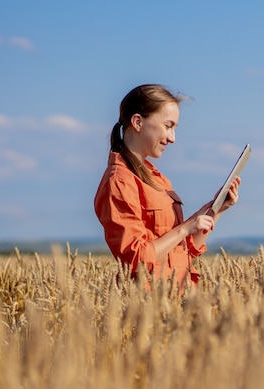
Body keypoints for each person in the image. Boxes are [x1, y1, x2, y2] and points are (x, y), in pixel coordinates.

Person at [94, 84, 240, 293]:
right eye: (168, 126)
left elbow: (185, 249)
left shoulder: (157, 179)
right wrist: (184, 229)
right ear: (137, 122)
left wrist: (216, 209)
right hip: (147, 306)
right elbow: (136, 258)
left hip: (179, 298)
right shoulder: (120, 182)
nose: (172, 138)